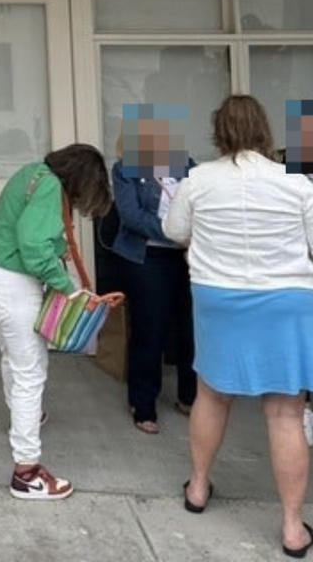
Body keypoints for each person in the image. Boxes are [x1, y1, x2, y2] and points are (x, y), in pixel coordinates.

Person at [163, 95, 313, 559]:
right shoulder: (297, 184)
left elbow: (173, 230)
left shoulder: (198, 179)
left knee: (212, 395)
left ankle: (198, 488)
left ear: (218, 131)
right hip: (287, 302)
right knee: (286, 413)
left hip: (219, 299)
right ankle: (292, 528)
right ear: (266, 131)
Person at [0, 144, 112, 502]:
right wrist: (67, 287)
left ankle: (24, 418)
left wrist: (55, 247)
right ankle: (27, 472)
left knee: (14, 358)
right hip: (13, 285)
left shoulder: (31, 172)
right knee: (31, 371)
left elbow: (24, 228)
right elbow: (32, 244)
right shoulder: (52, 188)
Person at [110, 137, 196, 433]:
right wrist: (174, 232)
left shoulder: (186, 165)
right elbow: (131, 216)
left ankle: (190, 396)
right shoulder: (125, 170)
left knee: (191, 328)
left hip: (189, 256)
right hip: (147, 256)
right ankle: (143, 404)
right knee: (150, 330)